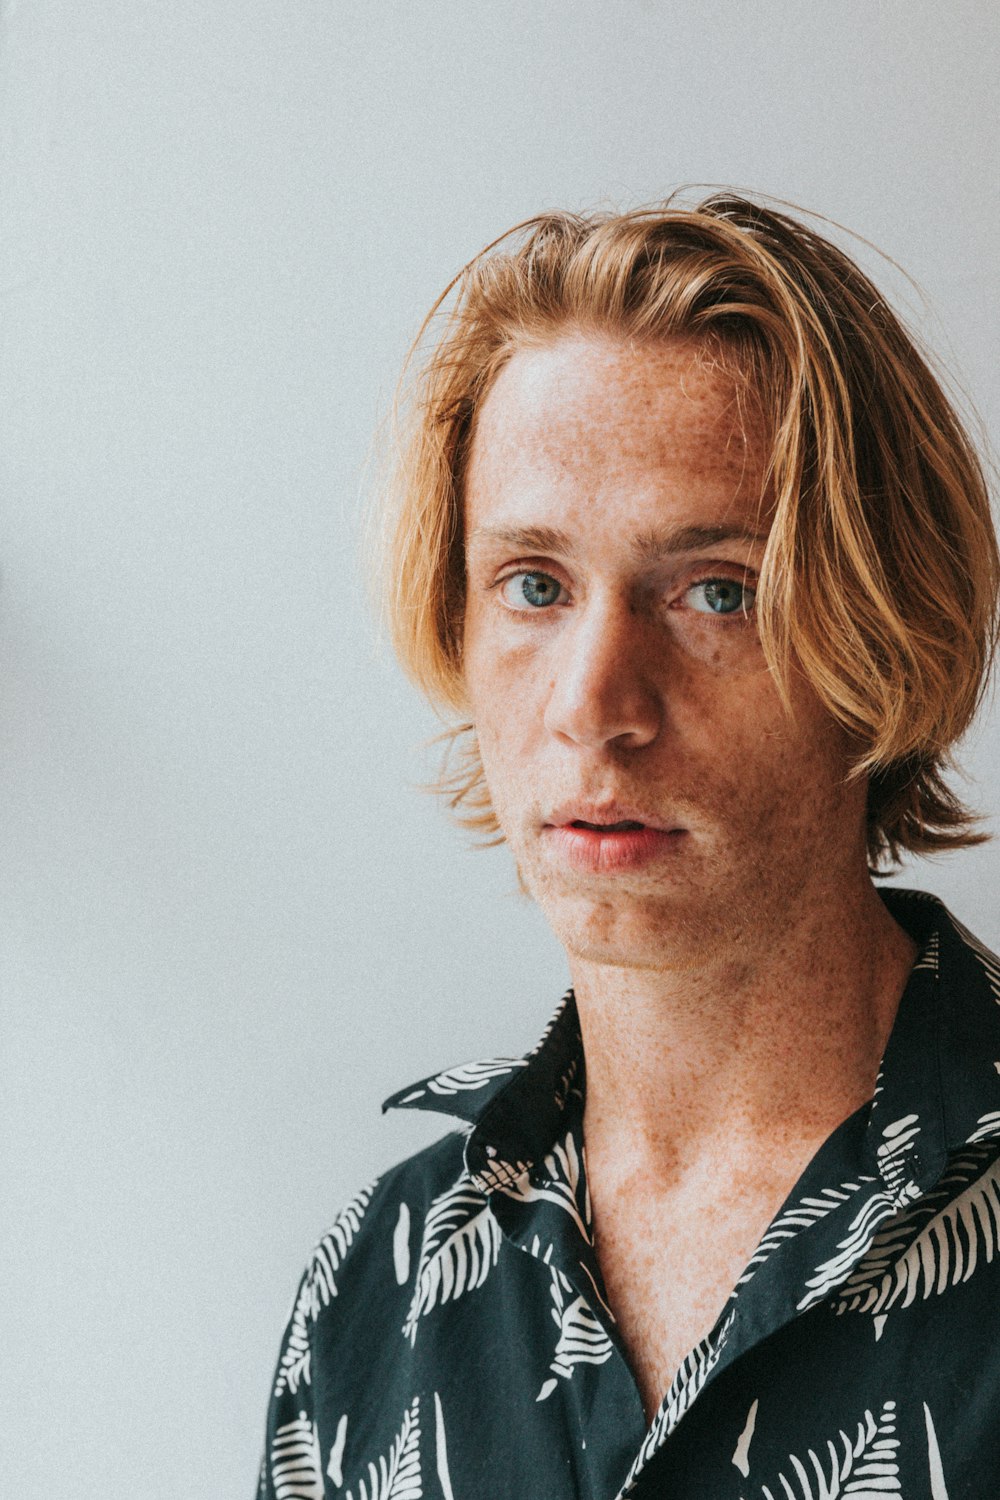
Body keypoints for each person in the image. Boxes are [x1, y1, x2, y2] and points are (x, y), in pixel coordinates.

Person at [257, 194, 1000, 1500]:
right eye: (534, 586)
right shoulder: (378, 1289)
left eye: (713, 588)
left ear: (882, 632)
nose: (595, 704)